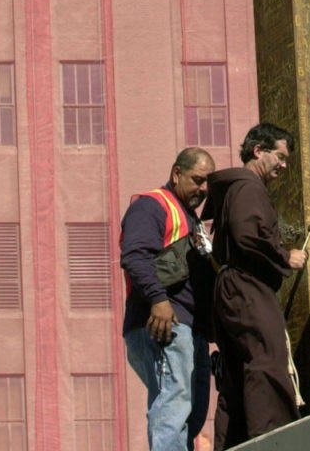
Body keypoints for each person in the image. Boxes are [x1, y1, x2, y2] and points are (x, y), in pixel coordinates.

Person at [205, 123, 308, 448]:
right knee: (267, 359)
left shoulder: (237, 188)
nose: (284, 165)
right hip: (247, 286)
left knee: (238, 371)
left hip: (234, 287)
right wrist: (284, 256)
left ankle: (234, 442)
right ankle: (270, 439)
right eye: (279, 156)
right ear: (258, 151)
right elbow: (247, 233)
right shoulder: (249, 187)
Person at [120, 146, 216, 451]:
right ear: (177, 173)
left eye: (207, 183)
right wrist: (159, 301)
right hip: (164, 322)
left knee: (192, 410)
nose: (203, 188)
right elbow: (135, 256)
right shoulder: (153, 205)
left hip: (190, 326)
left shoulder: (191, 218)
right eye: (197, 180)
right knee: (174, 403)